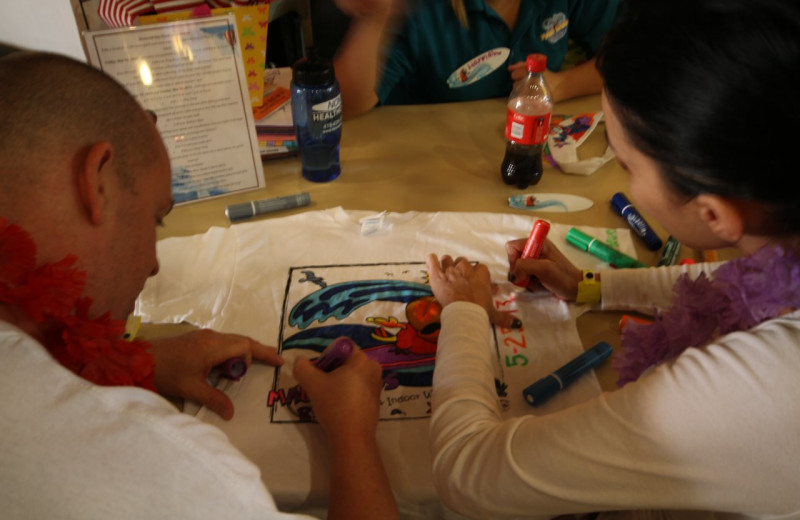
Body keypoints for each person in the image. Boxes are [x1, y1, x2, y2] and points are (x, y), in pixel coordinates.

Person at [424, 0, 800, 518]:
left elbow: (470, 477)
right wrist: (586, 286)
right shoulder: (781, 245)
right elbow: (730, 281)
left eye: (625, 163)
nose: (621, 178)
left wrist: (463, 311)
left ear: (713, 216)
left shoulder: (771, 388)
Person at [0, 51, 399, 520]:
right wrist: (352, 433)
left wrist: (140, 361)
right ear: (98, 182)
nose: (153, 265)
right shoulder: (173, 468)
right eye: (157, 219)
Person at [332, 0, 619, 119]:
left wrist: (562, 85)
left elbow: (627, 60)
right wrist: (372, 20)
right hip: (428, 167)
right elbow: (341, 106)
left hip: (524, 160)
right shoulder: (424, 9)